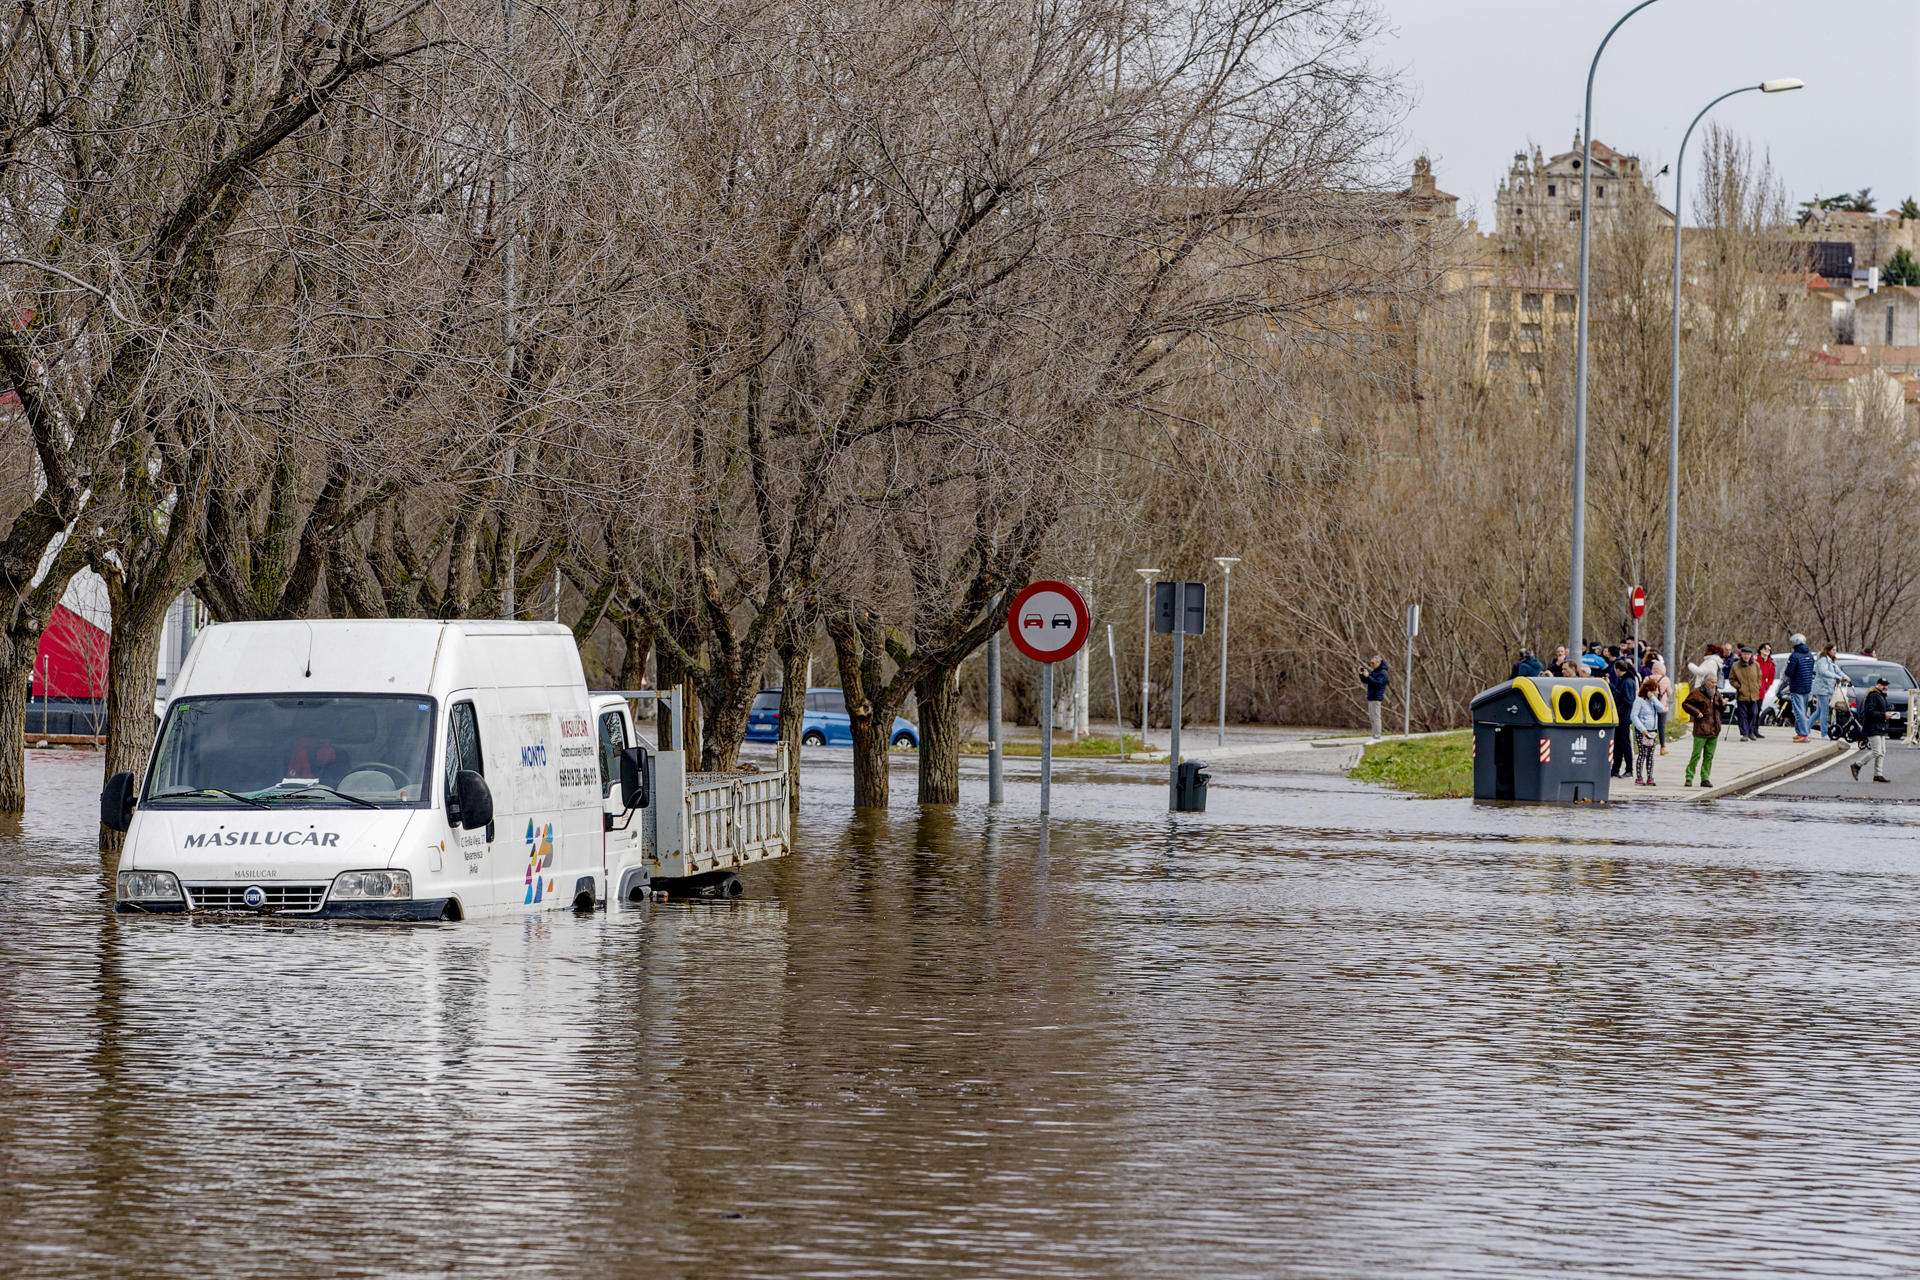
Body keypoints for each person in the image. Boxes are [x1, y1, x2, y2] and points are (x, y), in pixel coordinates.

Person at [1852, 675, 1893, 784]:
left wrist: (1889, 710)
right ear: (1877, 685)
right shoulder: (1873, 695)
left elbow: (1880, 709)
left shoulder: (1881, 695)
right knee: (1877, 751)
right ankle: (1857, 765)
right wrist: (1884, 715)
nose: (1885, 687)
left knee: (1882, 752)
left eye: (1886, 685)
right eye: (1883, 685)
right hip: (1872, 727)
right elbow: (1870, 712)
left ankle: (1878, 775)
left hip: (1880, 727)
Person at [1682, 677, 1721, 788]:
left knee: (1709, 756)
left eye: (1715, 682)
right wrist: (1696, 712)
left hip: (1714, 729)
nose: (1714, 684)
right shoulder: (1697, 692)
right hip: (1701, 729)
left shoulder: (1716, 693)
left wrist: (1722, 703)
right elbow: (1685, 704)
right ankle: (1689, 777)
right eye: (1712, 682)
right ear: (1706, 682)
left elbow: (1720, 708)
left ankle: (1705, 778)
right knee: (1696, 755)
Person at [1783, 633, 1816, 741]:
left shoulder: (1794, 655)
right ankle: (1799, 732)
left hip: (1796, 687)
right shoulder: (1810, 655)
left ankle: (1803, 734)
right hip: (1807, 686)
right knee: (1803, 710)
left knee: (1798, 711)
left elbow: (1789, 672)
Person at [1608, 657, 1638, 778]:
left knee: (1625, 744)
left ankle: (1629, 769)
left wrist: (1611, 686)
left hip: (1623, 717)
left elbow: (1627, 700)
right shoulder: (1624, 680)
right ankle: (1615, 769)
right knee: (1618, 744)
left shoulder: (1627, 681)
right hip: (1621, 716)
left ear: (1618, 669)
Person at [1631, 677, 1663, 786]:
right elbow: (1634, 716)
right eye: (1655, 690)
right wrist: (1642, 729)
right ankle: (1639, 777)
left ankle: (1650, 777)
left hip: (1653, 731)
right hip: (1642, 731)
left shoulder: (1653, 701)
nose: (1657, 692)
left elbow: (1662, 709)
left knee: (1650, 754)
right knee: (1642, 753)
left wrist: (1653, 698)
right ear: (1649, 690)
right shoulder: (1639, 700)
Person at [1729, 645, 1764, 742]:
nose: (1746, 656)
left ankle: (1751, 732)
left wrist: (1758, 686)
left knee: (1753, 713)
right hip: (1742, 695)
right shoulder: (1736, 665)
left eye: (1748, 654)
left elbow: (1759, 677)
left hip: (1754, 694)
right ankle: (1744, 734)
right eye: (1744, 654)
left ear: (1751, 655)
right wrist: (1739, 687)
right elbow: (1732, 679)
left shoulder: (1756, 664)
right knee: (1743, 715)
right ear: (1741, 654)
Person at [1811, 644, 1841, 738]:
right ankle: (1824, 733)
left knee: (1819, 711)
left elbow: (1838, 671)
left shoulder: (1831, 661)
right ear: (1828, 650)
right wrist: (1838, 677)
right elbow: (1824, 672)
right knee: (1825, 711)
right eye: (1833, 650)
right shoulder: (1823, 660)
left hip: (1827, 688)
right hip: (1822, 689)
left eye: (1836, 650)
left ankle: (1805, 728)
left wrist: (1844, 676)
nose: (1835, 651)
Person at [1649, 656, 1673, 756]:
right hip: (1662, 707)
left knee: (1651, 726)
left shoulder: (1648, 678)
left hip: (1650, 707)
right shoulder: (1666, 679)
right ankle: (1663, 747)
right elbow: (1670, 692)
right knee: (1661, 726)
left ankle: (1650, 746)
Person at [1362, 656, 1389, 741]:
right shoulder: (1374, 672)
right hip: (1371, 697)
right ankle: (1374, 735)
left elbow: (1378, 684)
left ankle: (1377, 736)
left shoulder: (1383, 672)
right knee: (1372, 717)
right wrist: (1362, 675)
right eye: (1371, 663)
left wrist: (1368, 676)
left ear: (1379, 662)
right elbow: (1367, 681)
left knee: (1376, 717)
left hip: (1376, 697)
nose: (1372, 665)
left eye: (1373, 663)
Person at [1756, 643, 1778, 737]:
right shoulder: (1754, 660)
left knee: (1757, 710)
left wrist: (1766, 686)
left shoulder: (1770, 663)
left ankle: (1755, 730)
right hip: (1751, 687)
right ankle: (1747, 730)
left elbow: (1771, 677)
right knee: (1751, 710)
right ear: (1760, 650)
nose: (1767, 651)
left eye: (1769, 649)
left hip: (1761, 689)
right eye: (1765, 648)